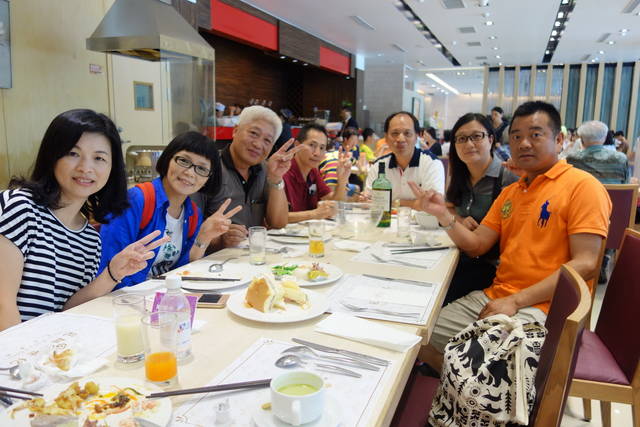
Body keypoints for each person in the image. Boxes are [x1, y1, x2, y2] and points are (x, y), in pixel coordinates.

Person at [411, 101, 611, 372]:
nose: (524, 143)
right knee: (418, 335)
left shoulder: (583, 186)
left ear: (559, 140)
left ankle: (476, 386)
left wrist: (516, 300)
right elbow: (477, 245)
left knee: (481, 358)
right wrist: (443, 215)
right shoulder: (511, 193)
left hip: (548, 307)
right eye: (516, 136)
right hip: (497, 296)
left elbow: (586, 263)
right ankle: (465, 386)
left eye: (535, 134)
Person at [0, 109, 168, 330]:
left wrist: (113, 273)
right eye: (73, 153)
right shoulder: (19, 207)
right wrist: (20, 351)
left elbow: (67, 310)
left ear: (111, 168)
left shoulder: (89, 239)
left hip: (50, 345)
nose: (86, 168)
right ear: (52, 156)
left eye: (99, 158)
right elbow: (3, 305)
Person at [99, 132, 241, 289]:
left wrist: (204, 237)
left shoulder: (193, 213)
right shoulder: (135, 200)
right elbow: (107, 266)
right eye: (184, 161)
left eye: (201, 168)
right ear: (168, 159)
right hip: (126, 297)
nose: (190, 173)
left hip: (164, 295)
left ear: (208, 179)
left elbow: (183, 270)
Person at [197, 105, 303, 249]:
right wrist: (218, 239)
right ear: (235, 131)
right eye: (253, 133)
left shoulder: (265, 169)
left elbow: (278, 223)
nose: (258, 144)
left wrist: (276, 178)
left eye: (267, 140)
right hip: (210, 259)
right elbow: (186, 229)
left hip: (253, 256)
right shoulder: (207, 168)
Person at [442, 113, 518, 305]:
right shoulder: (459, 173)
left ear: (491, 139)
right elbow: (449, 208)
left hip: (492, 266)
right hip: (459, 255)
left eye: (476, 136)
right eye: (461, 139)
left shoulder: (507, 176)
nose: (469, 144)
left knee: (438, 292)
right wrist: (460, 221)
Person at [364, 111, 445, 207]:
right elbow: (369, 200)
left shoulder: (432, 164)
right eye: (395, 133)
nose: (401, 139)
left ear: (417, 137)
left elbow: (433, 204)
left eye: (407, 133)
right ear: (386, 138)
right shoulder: (379, 166)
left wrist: (394, 203)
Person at [283, 124, 350, 223]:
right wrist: (314, 214)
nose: (317, 153)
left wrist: (342, 180)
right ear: (297, 145)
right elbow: (276, 217)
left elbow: (334, 202)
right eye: (312, 145)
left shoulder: (313, 172)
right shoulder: (283, 172)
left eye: (322, 148)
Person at [319, 127, 363, 193]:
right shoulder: (338, 148)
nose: (354, 143)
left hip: (346, 175)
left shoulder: (356, 148)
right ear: (345, 139)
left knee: (358, 183)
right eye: (353, 140)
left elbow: (356, 161)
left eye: (356, 141)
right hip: (336, 178)